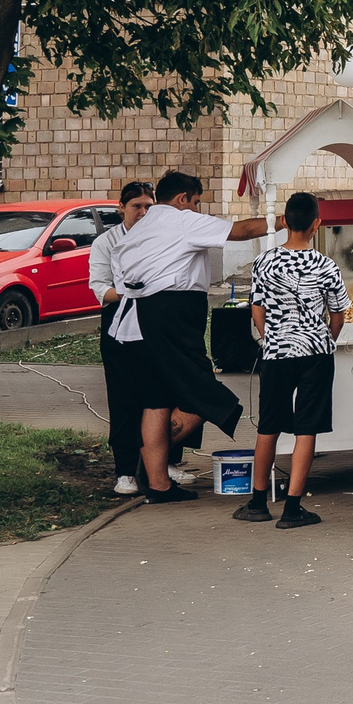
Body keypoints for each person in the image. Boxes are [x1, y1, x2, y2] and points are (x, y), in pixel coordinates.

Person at [109, 170, 267, 501]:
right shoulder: (182, 221)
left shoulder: (143, 225)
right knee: (204, 394)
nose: (197, 208)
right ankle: (149, 461)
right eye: (196, 202)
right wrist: (287, 220)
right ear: (182, 199)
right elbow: (240, 230)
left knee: (156, 400)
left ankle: (157, 483)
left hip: (138, 317)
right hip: (175, 313)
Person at [237, 191, 351, 529]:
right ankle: (293, 509)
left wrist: (270, 337)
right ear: (318, 223)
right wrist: (324, 339)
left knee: (269, 425)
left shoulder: (264, 262)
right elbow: (338, 313)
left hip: (276, 353)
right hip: (315, 353)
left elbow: (257, 310)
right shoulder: (326, 265)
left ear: (284, 221)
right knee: (306, 428)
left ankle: (258, 502)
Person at [89, 181, 156, 494]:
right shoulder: (107, 242)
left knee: (159, 395)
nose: (143, 213)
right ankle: (126, 469)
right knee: (124, 397)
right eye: (136, 207)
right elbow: (100, 287)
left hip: (156, 321)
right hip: (119, 321)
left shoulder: (160, 239)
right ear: (122, 208)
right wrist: (130, 291)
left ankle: (164, 462)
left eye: (148, 206)